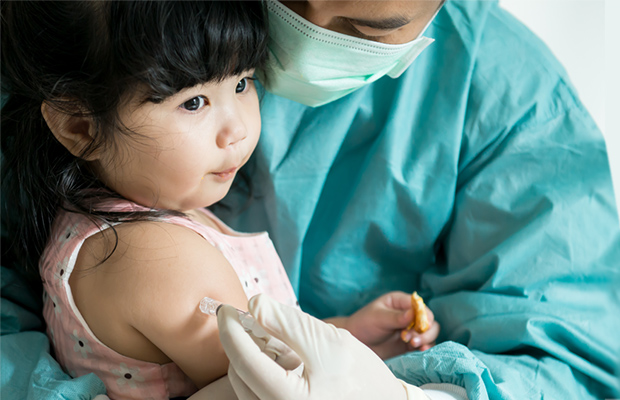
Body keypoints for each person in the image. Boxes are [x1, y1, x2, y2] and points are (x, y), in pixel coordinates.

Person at [206, 0, 620, 399]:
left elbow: (569, 367)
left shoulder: (509, 95)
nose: (301, 44)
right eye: (282, 4)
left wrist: (402, 396)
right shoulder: (152, 18)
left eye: (366, 31)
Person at [0, 1, 437, 399]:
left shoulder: (114, 214)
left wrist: (344, 335)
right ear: (80, 128)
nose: (238, 130)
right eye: (194, 102)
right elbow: (271, 378)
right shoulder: (156, 259)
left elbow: (275, 356)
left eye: (243, 82)